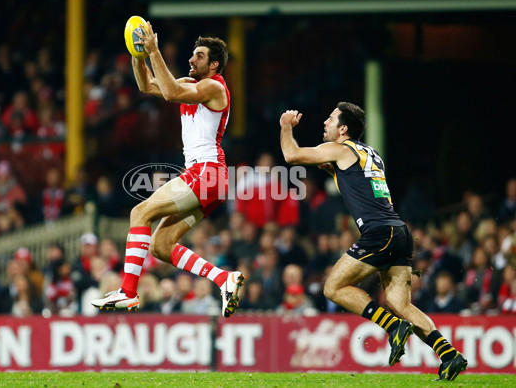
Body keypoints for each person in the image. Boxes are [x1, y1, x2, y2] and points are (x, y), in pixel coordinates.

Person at [279, 102, 467, 381]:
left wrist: (285, 126)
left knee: (333, 287)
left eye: (330, 119)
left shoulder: (341, 149)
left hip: (378, 232)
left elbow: (291, 154)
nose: (325, 123)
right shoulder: (370, 153)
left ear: (343, 129)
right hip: (400, 232)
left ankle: (392, 327)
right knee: (400, 303)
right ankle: (450, 355)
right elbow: (351, 179)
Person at [92, 22, 243, 317]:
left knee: (139, 213)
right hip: (210, 178)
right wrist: (138, 54)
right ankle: (224, 279)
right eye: (192, 54)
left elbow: (171, 92)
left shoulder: (215, 86)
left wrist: (154, 50)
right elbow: (146, 85)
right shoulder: (193, 85)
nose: (191, 59)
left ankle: (128, 292)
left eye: (199, 56)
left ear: (214, 64)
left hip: (207, 172)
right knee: (160, 246)